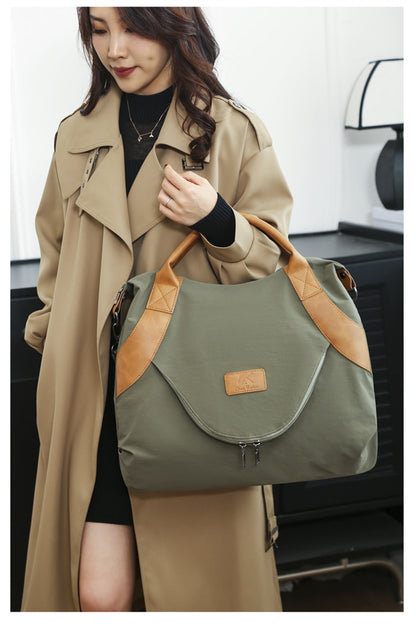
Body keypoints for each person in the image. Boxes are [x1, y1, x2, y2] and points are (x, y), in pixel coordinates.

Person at [22, 6, 293, 612]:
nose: (114, 48)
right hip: (92, 395)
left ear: (174, 24)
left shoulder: (232, 131)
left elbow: (273, 266)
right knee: (96, 595)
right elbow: (55, 258)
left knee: (198, 592)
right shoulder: (76, 135)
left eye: (133, 27)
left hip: (194, 395)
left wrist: (217, 219)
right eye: (99, 29)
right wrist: (53, 343)